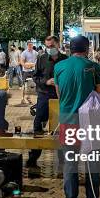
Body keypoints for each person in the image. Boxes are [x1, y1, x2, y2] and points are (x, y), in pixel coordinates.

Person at [54, 35, 100, 198]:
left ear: (70, 49)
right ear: (87, 49)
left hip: (67, 121)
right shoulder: (94, 67)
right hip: (90, 121)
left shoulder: (59, 66)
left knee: (70, 162)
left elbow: (59, 93)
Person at [28, 35, 68, 168]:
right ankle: (33, 157)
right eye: (47, 46)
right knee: (38, 124)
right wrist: (46, 81)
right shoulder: (42, 58)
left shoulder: (65, 60)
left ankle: (62, 160)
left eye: (51, 46)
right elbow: (35, 76)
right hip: (44, 95)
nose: (49, 49)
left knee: (61, 127)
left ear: (58, 45)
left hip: (60, 97)